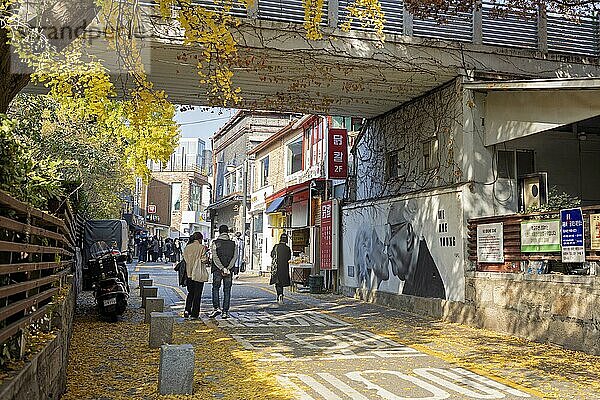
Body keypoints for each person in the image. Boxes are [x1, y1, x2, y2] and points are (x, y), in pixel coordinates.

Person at [385, 203, 446, 299]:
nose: (386, 243)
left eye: (391, 232)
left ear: (409, 233)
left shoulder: (431, 287)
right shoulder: (414, 278)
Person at [209, 225, 238, 319]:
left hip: (217, 270)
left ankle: (216, 308)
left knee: (216, 288)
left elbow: (215, 257)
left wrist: (221, 268)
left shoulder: (215, 243)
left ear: (219, 232)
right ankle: (225, 311)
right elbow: (235, 257)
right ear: (227, 232)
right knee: (227, 290)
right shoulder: (233, 244)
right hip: (229, 271)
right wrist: (228, 268)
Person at [183, 232, 209, 319]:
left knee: (190, 293)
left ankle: (187, 310)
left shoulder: (187, 247)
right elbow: (204, 260)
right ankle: (194, 314)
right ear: (200, 239)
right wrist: (206, 253)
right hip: (198, 273)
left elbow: (185, 259)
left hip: (189, 273)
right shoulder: (201, 248)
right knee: (197, 294)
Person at [270, 233, 291, 304]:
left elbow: (271, 255)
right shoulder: (288, 248)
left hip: (276, 268)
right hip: (284, 268)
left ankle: (279, 294)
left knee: (277, 282)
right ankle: (281, 294)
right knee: (282, 282)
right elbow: (289, 258)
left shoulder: (276, 247)